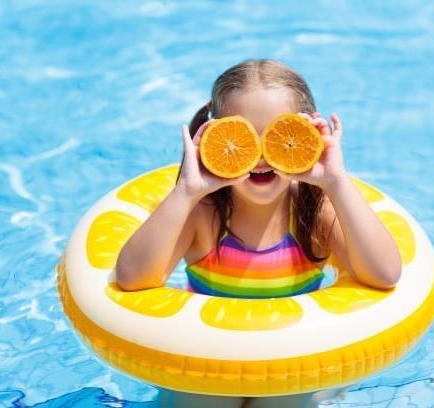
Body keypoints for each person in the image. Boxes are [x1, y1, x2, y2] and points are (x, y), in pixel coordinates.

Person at [115, 59, 402, 408]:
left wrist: (337, 183)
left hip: (289, 367)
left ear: (310, 134)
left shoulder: (315, 213)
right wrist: (187, 191)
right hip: (207, 367)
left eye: (280, 137)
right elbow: (133, 279)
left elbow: (385, 274)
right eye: (243, 138)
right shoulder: (202, 214)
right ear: (214, 138)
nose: (262, 156)